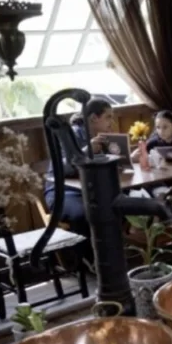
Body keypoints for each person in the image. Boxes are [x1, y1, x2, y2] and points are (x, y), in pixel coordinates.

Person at [44, 98, 115, 265]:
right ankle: (90, 261)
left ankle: (112, 256)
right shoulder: (71, 134)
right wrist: (85, 150)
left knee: (117, 204)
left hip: (88, 190)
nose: (112, 121)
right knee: (84, 213)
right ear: (94, 119)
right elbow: (62, 167)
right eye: (108, 117)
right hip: (62, 192)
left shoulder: (101, 138)